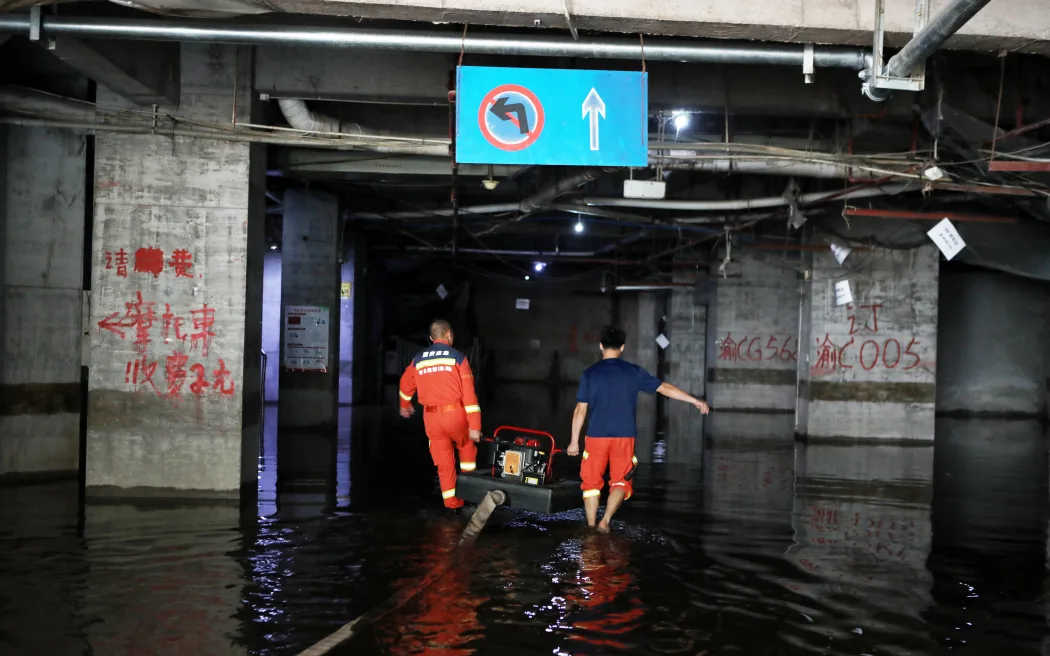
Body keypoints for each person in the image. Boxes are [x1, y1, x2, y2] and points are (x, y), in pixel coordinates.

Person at [567, 325, 709, 532]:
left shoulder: (590, 374)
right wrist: (694, 401)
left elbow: (580, 410)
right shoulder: (634, 372)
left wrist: (573, 441)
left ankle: (590, 528)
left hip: (596, 436)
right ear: (622, 347)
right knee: (620, 481)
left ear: (600, 346)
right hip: (624, 437)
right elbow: (665, 389)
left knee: (591, 484)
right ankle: (605, 521)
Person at [399, 319, 483, 509]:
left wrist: (405, 404)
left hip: (431, 419)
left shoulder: (418, 359)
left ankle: (452, 507)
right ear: (449, 335)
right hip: (455, 414)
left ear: (431, 338)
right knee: (467, 448)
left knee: (444, 466)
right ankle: (470, 498)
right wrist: (475, 427)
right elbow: (469, 396)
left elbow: (405, 385)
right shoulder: (458, 358)